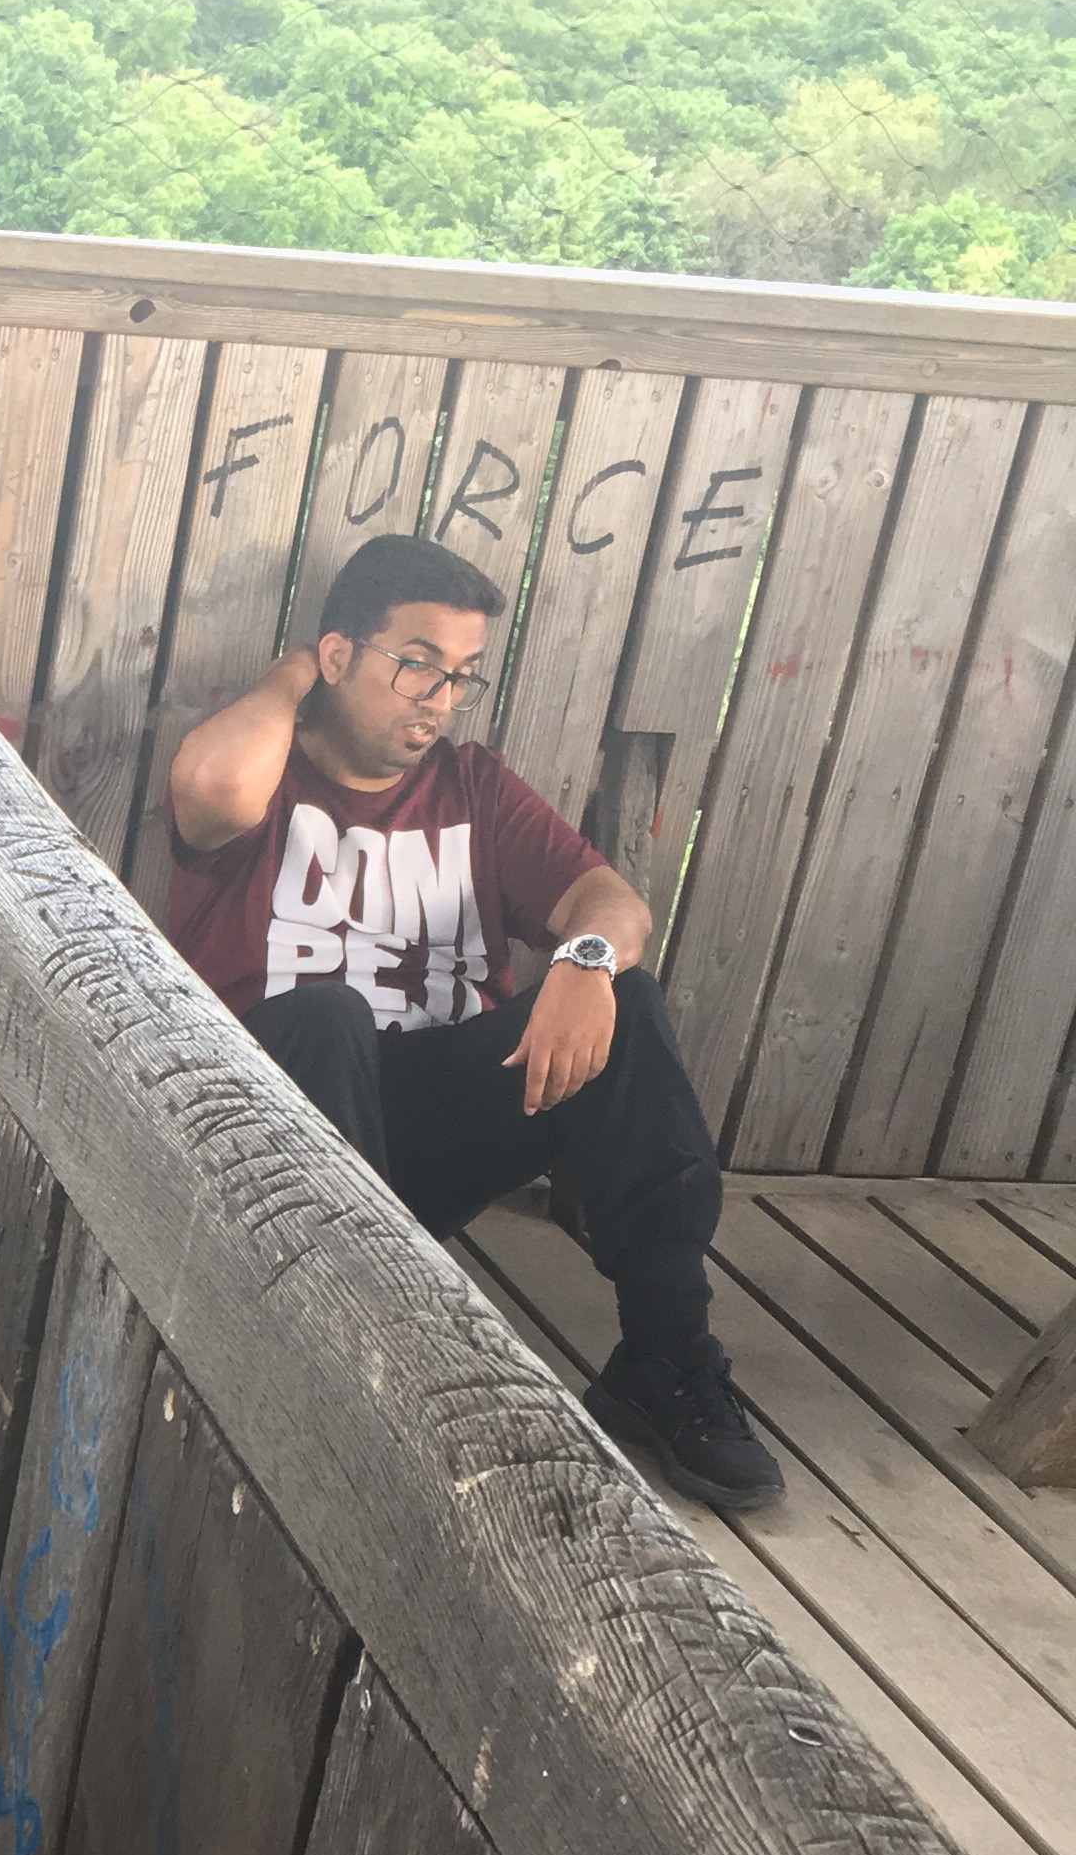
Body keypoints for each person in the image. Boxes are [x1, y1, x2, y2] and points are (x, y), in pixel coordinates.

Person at [163, 529, 782, 1513]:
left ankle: (665, 1358)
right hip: (277, 1135)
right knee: (327, 1014)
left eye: (460, 675)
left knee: (626, 997)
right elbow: (211, 789)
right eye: (416, 664)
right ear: (338, 656)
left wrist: (583, 960)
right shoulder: (268, 774)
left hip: (425, 1131)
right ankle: (352, 1351)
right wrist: (291, 676)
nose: (439, 698)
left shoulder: (473, 787)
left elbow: (613, 905)